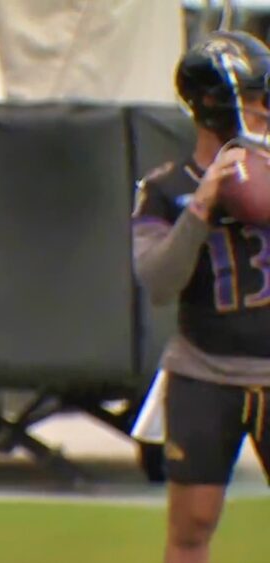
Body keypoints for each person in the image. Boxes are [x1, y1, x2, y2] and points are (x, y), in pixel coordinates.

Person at [132, 30, 270, 563]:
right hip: (205, 372)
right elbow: (159, 282)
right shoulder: (166, 188)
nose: (264, 110)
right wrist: (201, 207)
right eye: (256, 98)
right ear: (215, 103)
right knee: (191, 530)